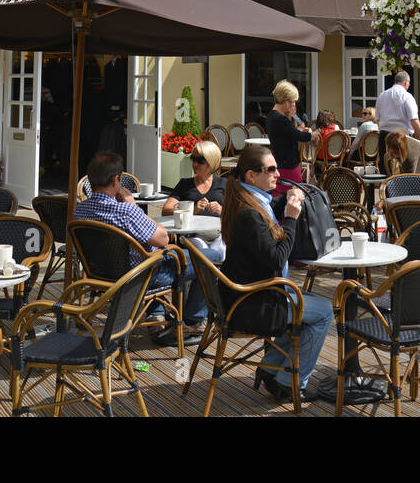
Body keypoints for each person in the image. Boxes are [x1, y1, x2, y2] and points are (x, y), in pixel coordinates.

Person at [221, 146, 334, 402]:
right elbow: (277, 257)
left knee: (307, 309)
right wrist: (291, 218)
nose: (278, 173)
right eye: (270, 169)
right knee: (324, 312)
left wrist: (287, 199)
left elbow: (270, 207)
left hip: (248, 293)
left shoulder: (245, 198)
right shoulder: (248, 213)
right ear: (251, 175)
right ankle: (292, 383)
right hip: (253, 302)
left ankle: (272, 369)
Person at [76, 152, 219, 347]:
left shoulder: (79, 211)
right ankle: (193, 320)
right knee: (212, 256)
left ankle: (158, 317)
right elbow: (162, 238)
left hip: (101, 275)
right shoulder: (126, 211)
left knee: (154, 253)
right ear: (115, 179)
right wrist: (132, 205)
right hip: (141, 277)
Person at [264, 80, 311, 195]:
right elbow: (301, 136)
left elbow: (293, 130)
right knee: (295, 196)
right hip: (288, 165)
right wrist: (310, 134)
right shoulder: (281, 119)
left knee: (279, 197)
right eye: (293, 101)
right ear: (286, 100)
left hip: (279, 162)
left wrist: (292, 116)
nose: (294, 104)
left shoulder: (271, 116)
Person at [162, 140, 225, 217]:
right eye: (193, 159)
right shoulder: (184, 184)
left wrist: (221, 210)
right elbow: (165, 210)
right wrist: (191, 211)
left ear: (211, 161)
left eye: (200, 161)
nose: (195, 164)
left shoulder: (224, 183)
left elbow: (237, 213)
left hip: (217, 229)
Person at [375, 71, 420, 139]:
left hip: (384, 136)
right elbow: (414, 120)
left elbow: (377, 119)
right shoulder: (407, 96)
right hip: (401, 138)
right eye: (409, 84)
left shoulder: (382, 95)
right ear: (406, 83)